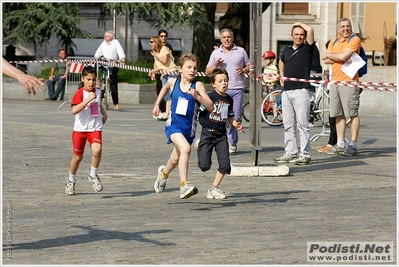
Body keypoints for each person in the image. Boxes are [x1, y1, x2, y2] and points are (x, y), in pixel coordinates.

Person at [152, 53, 213, 199]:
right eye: (189, 67)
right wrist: (156, 103)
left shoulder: (197, 85)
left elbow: (210, 106)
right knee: (186, 149)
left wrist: (197, 97)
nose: (192, 70)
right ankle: (184, 184)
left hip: (188, 131)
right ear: (180, 68)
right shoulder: (173, 82)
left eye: (195, 68)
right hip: (173, 127)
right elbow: (165, 87)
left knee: (175, 159)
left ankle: (163, 174)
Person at [197, 68, 244, 199]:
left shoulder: (229, 99)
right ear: (213, 83)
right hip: (207, 133)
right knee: (204, 166)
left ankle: (213, 188)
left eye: (226, 81)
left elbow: (229, 116)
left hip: (221, 135)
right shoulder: (210, 97)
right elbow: (199, 110)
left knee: (225, 165)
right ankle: (200, 146)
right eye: (220, 81)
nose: (224, 83)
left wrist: (236, 124)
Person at [274, 22, 316, 165]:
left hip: (301, 90)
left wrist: (299, 23)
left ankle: (305, 154)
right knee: (288, 124)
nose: (299, 36)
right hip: (287, 91)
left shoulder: (307, 49)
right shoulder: (286, 49)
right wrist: (281, 74)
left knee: (302, 124)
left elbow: (311, 30)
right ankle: (290, 152)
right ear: (292, 36)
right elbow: (281, 62)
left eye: (301, 34)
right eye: (296, 34)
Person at [205, 28, 251, 154]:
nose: (226, 39)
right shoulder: (215, 53)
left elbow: (249, 66)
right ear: (221, 39)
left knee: (235, 116)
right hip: (221, 91)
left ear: (233, 38)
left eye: (229, 37)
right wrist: (216, 66)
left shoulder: (241, 51)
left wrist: (244, 70)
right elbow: (207, 72)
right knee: (222, 116)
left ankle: (232, 142)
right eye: (224, 37)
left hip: (237, 88)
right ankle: (220, 140)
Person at [65, 65, 108, 195]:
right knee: (78, 158)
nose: (91, 82)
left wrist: (104, 114)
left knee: (97, 149)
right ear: (83, 79)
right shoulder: (79, 93)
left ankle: (93, 175)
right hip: (80, 129)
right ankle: (71, 180)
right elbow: (74, 110)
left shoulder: (98, 92)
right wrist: (87, 99)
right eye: (88, 79)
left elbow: (98, 105)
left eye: (93, 79)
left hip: (95, 127)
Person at [323, 17, 361, 157]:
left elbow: (342, 56)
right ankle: (340, 144)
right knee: (338, 114)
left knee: (352, 113)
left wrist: (334, 55)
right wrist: (339, 56)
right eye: (343, 26)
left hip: (349, 81)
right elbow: (325, 59)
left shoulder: (354, 40)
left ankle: (352, 144)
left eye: (348, 26)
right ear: (338, 29)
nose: (346, 28)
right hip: (335, 82)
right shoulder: (333, 41)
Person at [94, 30, 126, 111]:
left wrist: (122, 59)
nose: (104, 38)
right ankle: (99, 95)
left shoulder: (115, 42)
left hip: (113, 63)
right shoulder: (104, 43)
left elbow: (120, 51)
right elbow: (99, 51)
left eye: (105, 37)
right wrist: (95, 58)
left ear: (110, 37)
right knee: (98, 76)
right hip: (104, 62)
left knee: (113, 83)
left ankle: (116, 103)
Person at [148, 36, 177, 121]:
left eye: (151, 42)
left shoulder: (164, 48)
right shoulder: (155, 52)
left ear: (156, 43)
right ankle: (167, 114)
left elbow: (164, 60)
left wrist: (156, 55)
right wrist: (153, 71)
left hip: (172, 73)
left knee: (173, 93)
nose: (150, 44)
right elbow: (159, 66)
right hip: (164, 74)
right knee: (166, 95)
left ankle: (171, 113)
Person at [317, 40, 338, 154]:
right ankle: (333, 142)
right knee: (333, 117)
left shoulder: (338, 57)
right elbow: (325, 58)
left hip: (338, 88)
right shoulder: (332, 59)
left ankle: (333, 143)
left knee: (334, 118)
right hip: (332, 89)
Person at [154, 29, 174, 118]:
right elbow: (156, 62)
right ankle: (161, 110)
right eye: (161, 36)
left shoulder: (167, 47)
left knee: (167, 92)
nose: (163, 38)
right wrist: (154, 71)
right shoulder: (157, 47)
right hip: (160, 71)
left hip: (167, 71)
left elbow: (167, 60)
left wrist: (164, 72)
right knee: (160, 89)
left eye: (165, 36)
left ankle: (166, 111)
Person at [262, 50, 280, 123]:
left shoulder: (273, 68)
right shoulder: (266, 67)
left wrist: (271, 81)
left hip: (271, 86)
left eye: (266, 59)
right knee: (265, 101)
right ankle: (264, 114)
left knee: (273, 102)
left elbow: (276, 78)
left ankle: (275, 116)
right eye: (265, 59)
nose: (265, 61)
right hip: (266, 86)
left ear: (271, 60)